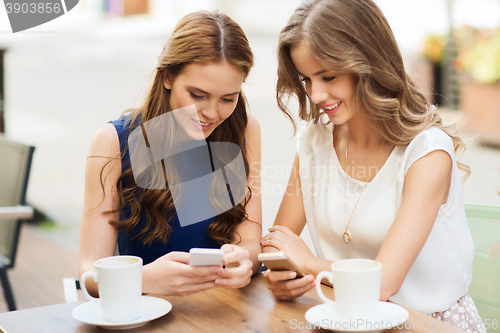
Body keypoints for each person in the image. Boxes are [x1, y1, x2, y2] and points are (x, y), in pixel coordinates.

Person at [260, 0, 485, 331]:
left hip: (425, 324)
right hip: (346, 315)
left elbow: (382, 285)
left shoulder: (427, 152)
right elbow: (279, 245)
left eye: (328, 76)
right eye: (306, 79)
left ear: (369, 63)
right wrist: (281, 276)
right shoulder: (314, 140)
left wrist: (307, 263)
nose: (317, 94)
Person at [79, 10, 262, 298]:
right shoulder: (113, 142)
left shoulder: (243, 128)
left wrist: (246, 262)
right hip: (146, 312)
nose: (212, 113)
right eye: (197, 95)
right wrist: (142, 280)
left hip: (225, 309)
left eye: (228, 98)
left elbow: (250, 240)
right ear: (167, 76)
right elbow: (89, 272)